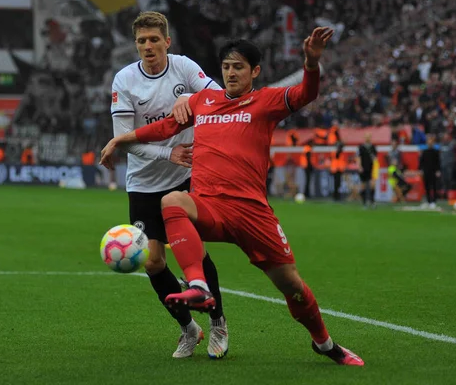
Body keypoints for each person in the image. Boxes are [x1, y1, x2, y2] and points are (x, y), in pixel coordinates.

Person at [102, 28, 364, 366]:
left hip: (252, 213)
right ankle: (198, 284)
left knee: (291, 285)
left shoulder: (267, 101)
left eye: (238, 67)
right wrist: (120, 140)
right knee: (172, 201)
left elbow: (305, 94)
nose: (230, 73)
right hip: (210, 206)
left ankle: (325, 343)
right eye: (226, 67)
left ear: (254, 71)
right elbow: (165, 128)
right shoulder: (203, 101)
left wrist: (311, 62)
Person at [109, 11, 227, 359]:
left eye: (154, 40)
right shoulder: (125, 80)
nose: (148, 46)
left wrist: (190, 99)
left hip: (184, 179)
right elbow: (124, 140)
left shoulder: (184, 68)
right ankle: (189, 329)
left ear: (167, 42)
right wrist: (167, 152)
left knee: (194, 251)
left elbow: (219, 98)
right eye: (142, 41)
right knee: (154, 263)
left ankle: (219, 324)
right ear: (136, 44)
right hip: (143, 182)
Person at [419, 134, 441, 208]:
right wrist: (421, 170)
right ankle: (428, 201)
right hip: (426, 171)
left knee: (434, 187)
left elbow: (438, 162)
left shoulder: (435, 152)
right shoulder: (424, 152)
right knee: (427, 187)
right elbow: (421, 162)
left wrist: (438, 170)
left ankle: (434, 201)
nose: (430, 142)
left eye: (431, 141)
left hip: (433, 171)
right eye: (428, 141)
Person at [356, 133, 377, 208]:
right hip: (363, 168)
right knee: (363, 185)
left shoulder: (373, 147)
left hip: (371, 168)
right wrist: (359, 166)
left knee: (372, 185)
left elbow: (375, 159)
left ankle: (372, 201)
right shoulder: (361, 147)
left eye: (369, 137)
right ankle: (364, 202)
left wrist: (375, 168)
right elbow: (358, 157)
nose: (367, 138)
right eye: (366, 137)